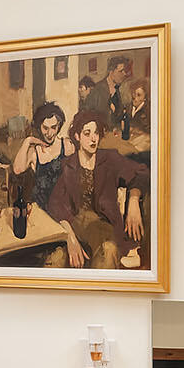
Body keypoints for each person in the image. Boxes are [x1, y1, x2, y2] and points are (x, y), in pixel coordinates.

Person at [45, 110, 146, 269]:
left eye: (96, 133)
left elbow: (141, 173)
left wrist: (133, 199)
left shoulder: (110, 159)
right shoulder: (68, 165)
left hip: (106, 233)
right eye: (87, 133)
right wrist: (70, 236)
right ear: (77, 136)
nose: (93, 138)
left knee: (108, 253)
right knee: (55, 261)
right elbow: (54, 204)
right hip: (77, 231)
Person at [6, 102, 67, 241]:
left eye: (54, 127)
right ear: (39, 126)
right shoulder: (35, 151)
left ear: (59, 126)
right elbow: (17, 169)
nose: (50, 133)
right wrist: (27, 141)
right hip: (41, 211)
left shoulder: (66, 146)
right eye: (45, 128)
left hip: (62, 209)